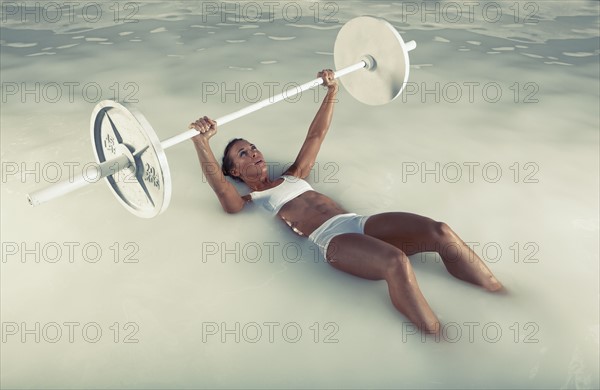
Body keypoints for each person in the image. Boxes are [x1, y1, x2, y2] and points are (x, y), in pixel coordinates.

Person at [189, 69, 503, 334]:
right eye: (242, 153)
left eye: (253, 147)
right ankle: (440, 340)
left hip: (357, 222)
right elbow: (220, 191)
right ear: (233, 170)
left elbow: (316, 136)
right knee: (396, 262)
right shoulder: (250, 200)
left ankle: (500, 294)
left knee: (441, 232)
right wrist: (201, 142)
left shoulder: (293, 175)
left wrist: (332, 89)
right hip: (333, 241)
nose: (254, 153)